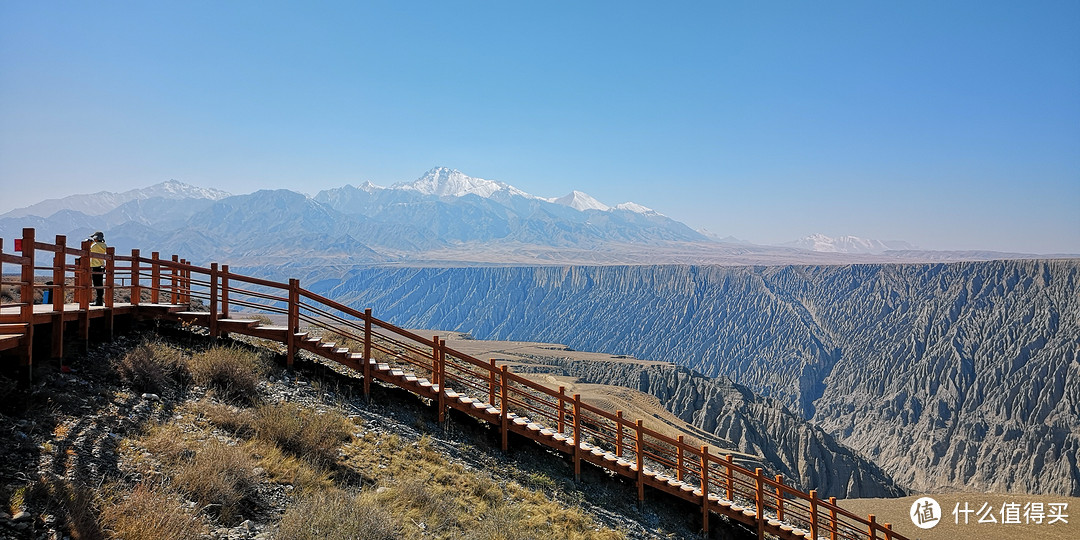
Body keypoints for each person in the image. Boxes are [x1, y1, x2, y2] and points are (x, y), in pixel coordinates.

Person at [89, 231, 107, 306]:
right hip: (101, 266)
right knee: (100, 283)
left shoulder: (94, 246)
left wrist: (90, 243)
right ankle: (100, 299)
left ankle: (98, 301)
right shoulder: (104, 245)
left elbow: (89, 250)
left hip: (95, 266)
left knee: (97, 284)